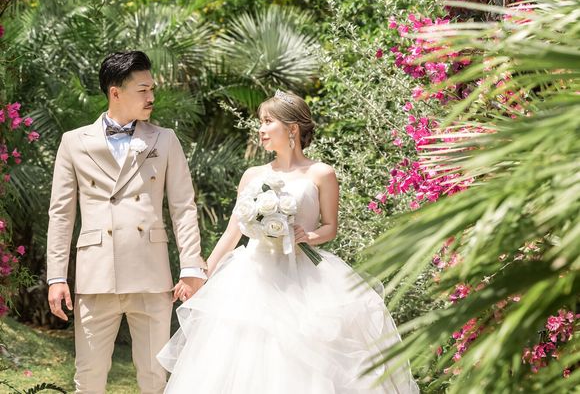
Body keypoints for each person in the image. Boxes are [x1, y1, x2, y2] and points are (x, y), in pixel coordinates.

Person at [158, 90, 419, 393]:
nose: (261, 129)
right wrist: (203, 273)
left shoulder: (321, 173)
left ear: (292, 128)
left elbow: (330, 227)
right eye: (260, 122)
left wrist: (309, 236)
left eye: (268, 122)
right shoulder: (252, 175)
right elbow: (233, 232)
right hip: (252, 275)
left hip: (304, 277)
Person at [46, 51, 207, 394]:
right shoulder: (73, 142)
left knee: (154, 376)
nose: (151, 97)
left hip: (151, 274)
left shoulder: (164, 139)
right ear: (115, 92)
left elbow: (183, 207)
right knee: (88, 377)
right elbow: (61, 213)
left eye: (152, 89)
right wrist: (56, 276)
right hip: (96, 274)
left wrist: (191, 266)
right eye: (142, 90)